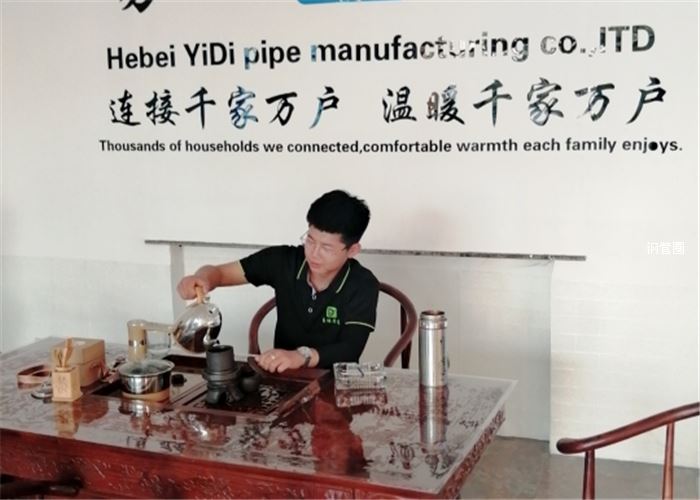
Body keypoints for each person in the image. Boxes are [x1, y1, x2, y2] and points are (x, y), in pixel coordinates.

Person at [176, 189, 379, 373]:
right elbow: (220, 273)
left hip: (334, 383)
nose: (314, 253)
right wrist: (201, 278)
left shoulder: (363, 283)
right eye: (310, 240)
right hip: (283, 376)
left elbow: (350, 348)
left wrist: (301, 356)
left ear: (352, 250)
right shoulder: (283, 261)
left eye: (326, 248)